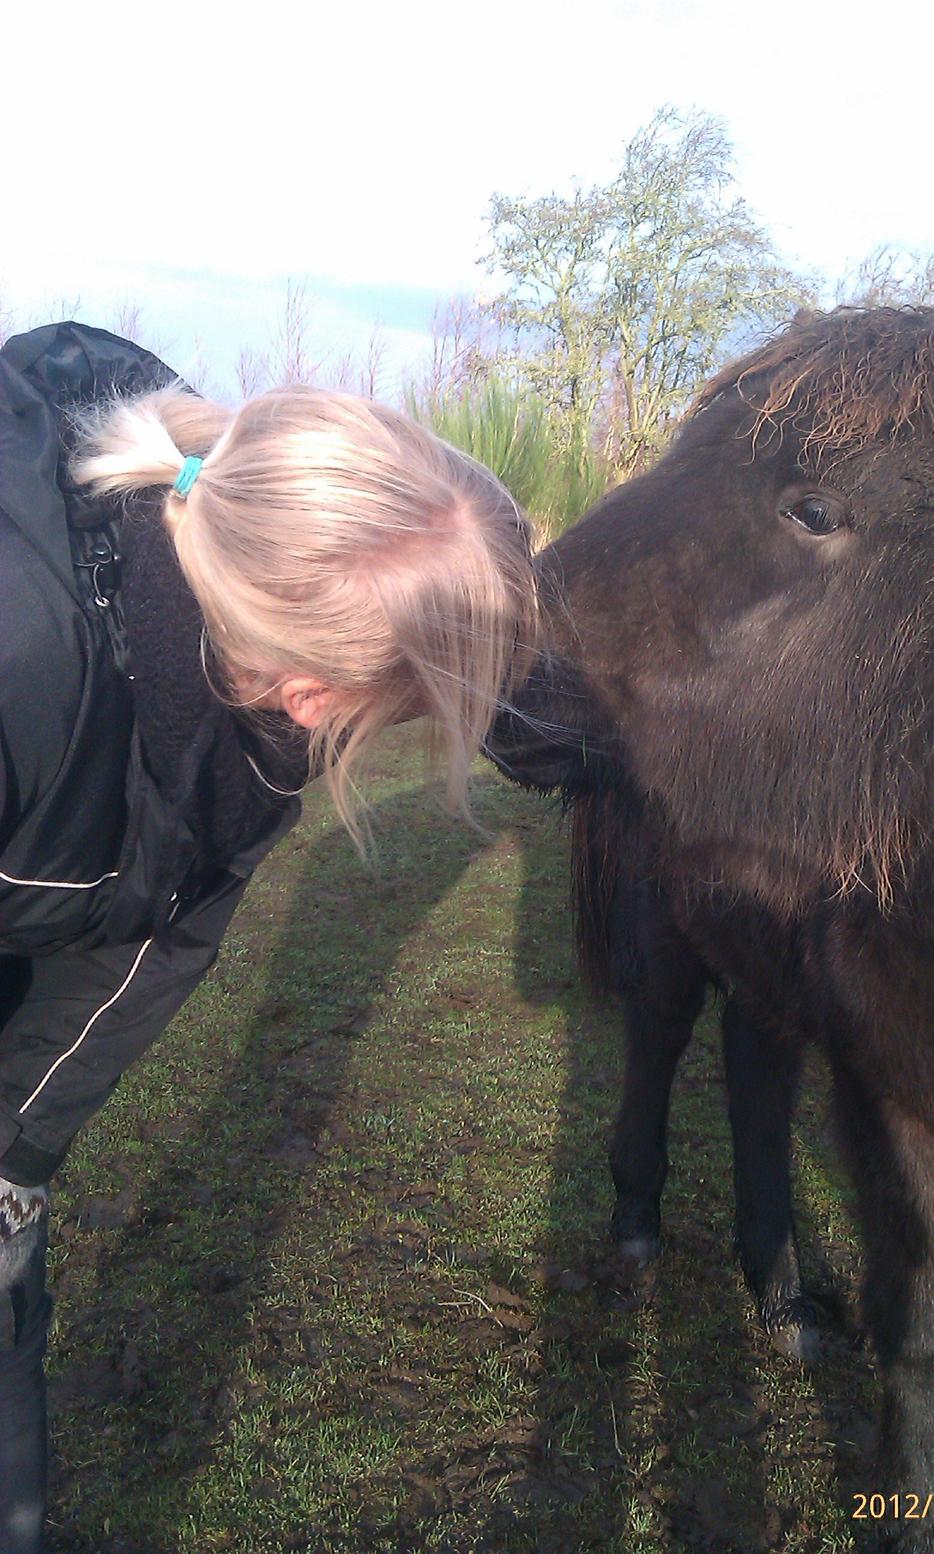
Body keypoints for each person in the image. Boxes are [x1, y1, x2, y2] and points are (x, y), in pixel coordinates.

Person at [0, 321, 538, 1553]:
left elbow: (163, 919)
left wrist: (12, 1156)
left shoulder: (248, 684)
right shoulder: (21, 670)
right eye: (396, 712)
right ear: (315, 692)